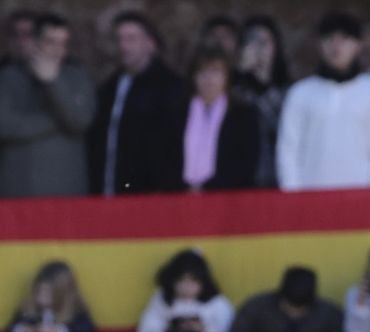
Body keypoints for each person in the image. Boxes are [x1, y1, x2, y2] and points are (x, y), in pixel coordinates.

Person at [277, 12, 370, 191]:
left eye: (345, 39)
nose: (336, 46)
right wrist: (294, 197)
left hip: (362, 199)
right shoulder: (300, 94)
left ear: (358, 45)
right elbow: (288, 151)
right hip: (311, 197)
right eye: (329, 39)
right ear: (320, 45)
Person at [88, 10, 189, 196]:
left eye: (131, 38)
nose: (123, 46)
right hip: (110, 191)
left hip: (149, 196)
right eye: (119, 39)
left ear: (150, 44)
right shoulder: (109, 87)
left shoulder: (170, 87)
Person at [0, 13, 94, 198]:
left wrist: (53, 83)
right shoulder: (7, 78)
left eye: (63, 43)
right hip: (19, 192)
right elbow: (5, 126)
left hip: (67, 192)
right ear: (34, 42)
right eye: (50, 42)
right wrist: (57, 123)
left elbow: (80, 121)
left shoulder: (78, 77)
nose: (57, 50)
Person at [179, 46, 260, 191]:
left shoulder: (243, 115)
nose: (209, 79)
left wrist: (208, 187)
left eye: (215, 72)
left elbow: (245, 163)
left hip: (228, 198)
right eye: (202, 72)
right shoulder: (178, 114)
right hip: (181, 197)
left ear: (226, 77)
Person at [232, 16, 290, 188]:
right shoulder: (234, 89)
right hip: (240, 181)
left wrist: (261, 83)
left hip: (277, 179)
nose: (259, 48)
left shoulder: (289, 92)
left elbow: (281, 125)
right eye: (252, 41)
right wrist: (240, 72)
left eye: (265, 42)